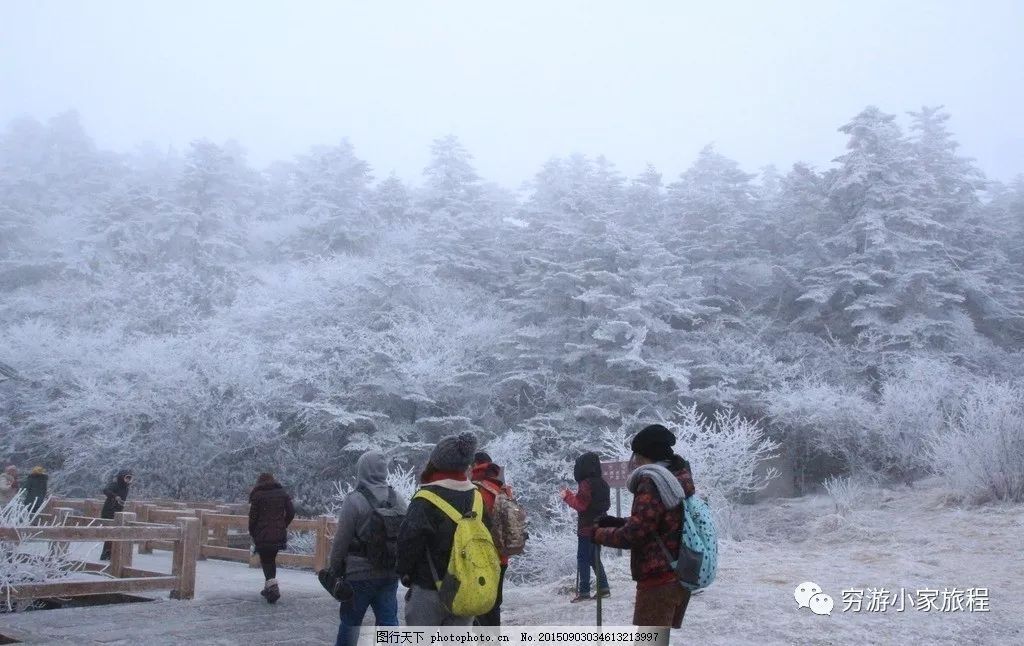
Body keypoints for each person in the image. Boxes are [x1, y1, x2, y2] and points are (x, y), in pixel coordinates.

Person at [591, 424, 696, 641]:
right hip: (677, 572)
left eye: (638, 455)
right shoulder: (677, 478)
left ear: (649, 455)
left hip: (657, 576)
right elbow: (659, 523)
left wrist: (598, 534)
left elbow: (636, 534)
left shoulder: (652, 482)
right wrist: (617, 522)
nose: (635, 460)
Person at [396, 432, 485, 626]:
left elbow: (408, 542)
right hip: (465, 588)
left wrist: (404, 572)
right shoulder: (477, 497)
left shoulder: (425, 499)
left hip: (428, 588)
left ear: (437, 461)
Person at [329, 451, 406, 646]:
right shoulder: (397, 498)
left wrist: (335, 568)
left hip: (359, 574)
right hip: (389, 572)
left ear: (361, 470)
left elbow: (341, 540)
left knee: (351, 622)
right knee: (389, 621)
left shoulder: (354, 499)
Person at [560, 452, 610, 602]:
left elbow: (581, 505)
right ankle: (603, 588)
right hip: (600, 525)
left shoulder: (586, 483)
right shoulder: (603, 483)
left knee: (583, 558)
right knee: (594, 557)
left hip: (587, 528)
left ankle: (584, 592)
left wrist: (567, 497)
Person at [471, 451, 512, 626]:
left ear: (474, 466)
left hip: (482, 556)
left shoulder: (475, 490)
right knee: (495, 602)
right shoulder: (504, 489)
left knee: (479, 602)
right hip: (502, 555)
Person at [248, 472, 295, 604]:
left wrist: (253, 532)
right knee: (271, 559)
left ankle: (273, 589)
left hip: (262, 534)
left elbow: (253, 518)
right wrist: (282, 525)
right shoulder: (282, 493)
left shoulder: (257, 495)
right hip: (277, 534)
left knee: (266, 560)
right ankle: (269, 587)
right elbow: (291, 512)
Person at [100, 469, 133, 560]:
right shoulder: (115, 484)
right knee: (111, 532)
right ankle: (106, 554)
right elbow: (105, 490)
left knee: (115, 532)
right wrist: (115, 497)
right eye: (127, 478)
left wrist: (122, 504)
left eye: (129, 478)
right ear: (122, 477)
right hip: (109, 511)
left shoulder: (126, 487)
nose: (128, 480)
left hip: (118, 512)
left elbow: (122, 500)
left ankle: (110, 553)